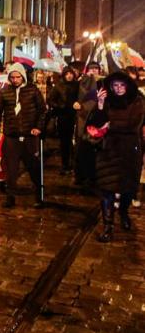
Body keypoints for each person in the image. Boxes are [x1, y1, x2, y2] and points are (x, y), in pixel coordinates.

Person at [87, 72, 145, 242]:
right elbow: (95, 123)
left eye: (122, 85)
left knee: (128, 188)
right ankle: (108, 225)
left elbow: (133, 124)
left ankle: (124, 212)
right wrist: (100, 104)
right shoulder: (106, 100)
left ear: (128, 86)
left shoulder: (138, 101)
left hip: (129, 150)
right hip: (109, 150)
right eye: (115, 86)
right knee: (107, 189)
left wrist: (110, 125)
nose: (118, 89)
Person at [0, 63, 47, 208]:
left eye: (17, 77)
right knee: (11, 170)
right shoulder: (4, 92)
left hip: (29, 137)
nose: (15, 80)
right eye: (12, 77)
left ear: (23, 77)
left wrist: (38, 127)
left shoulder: (33, 91)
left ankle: (39, 194)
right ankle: (10, 197)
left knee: (33, 167)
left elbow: (43, 111)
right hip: (11, 136)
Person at [47, 66, 79, 174]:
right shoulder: (58, 86)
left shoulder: (77, 85)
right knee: (65, 142)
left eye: (71, 74)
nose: (69, 76)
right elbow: (50, 100)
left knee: (74, 141)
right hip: (63, 117)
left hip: (75, 117)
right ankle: (65, 164)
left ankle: (74, 165)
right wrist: (61, 106)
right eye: (67, 74)